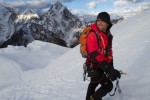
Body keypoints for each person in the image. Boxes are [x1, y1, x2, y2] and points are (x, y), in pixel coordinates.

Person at [85, 12, 121, 100]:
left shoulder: (108, 36)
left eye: (103, 20)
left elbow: (109, 52)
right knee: (108, 86)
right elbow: (94, 53)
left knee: (93, 83)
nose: (99, 22)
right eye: (98, 20)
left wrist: (111, 67)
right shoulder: (92, 35)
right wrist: (108, 69)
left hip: (100, 66)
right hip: (94, 66)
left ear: (107, 24)